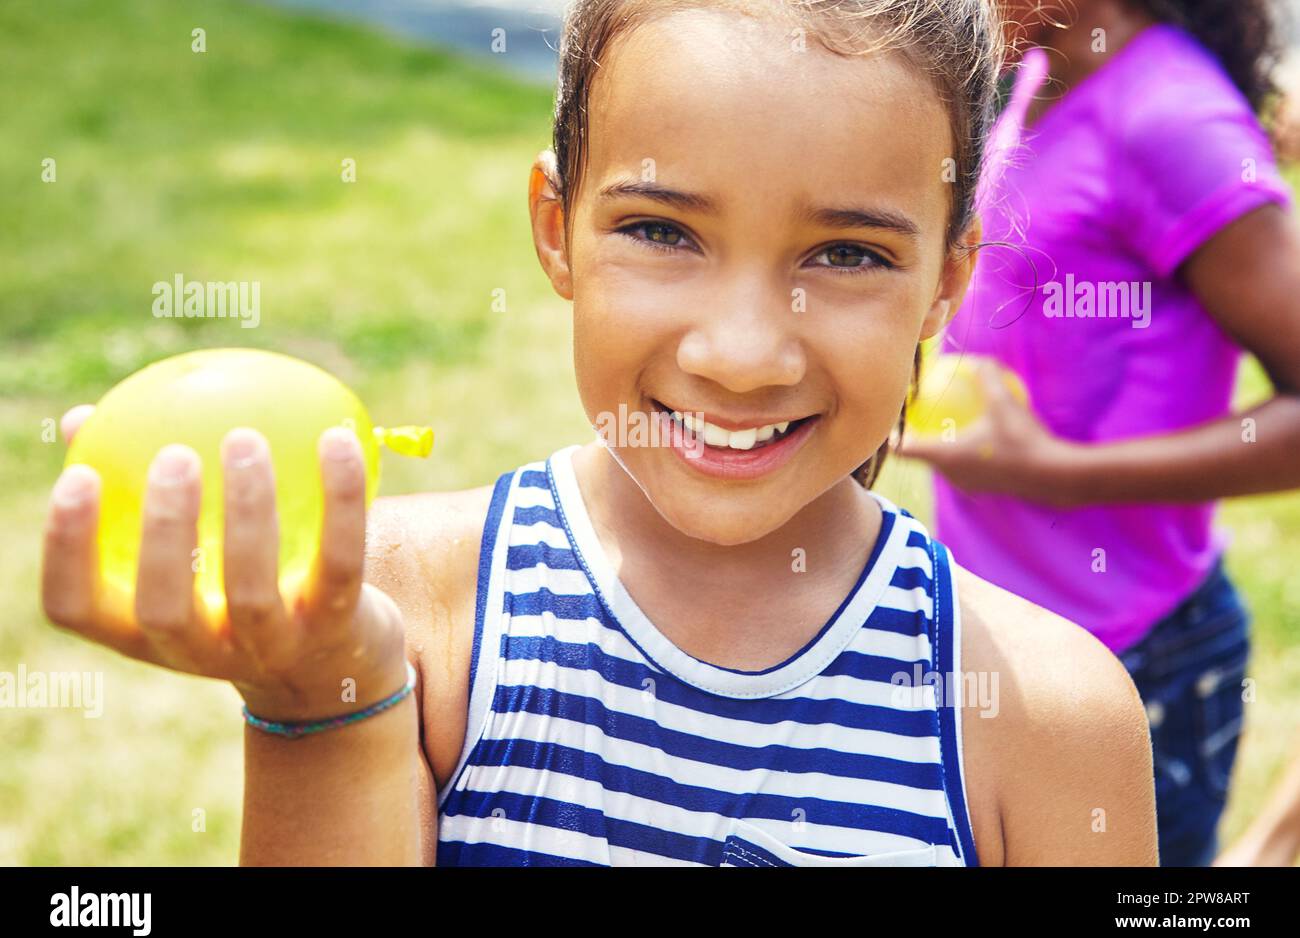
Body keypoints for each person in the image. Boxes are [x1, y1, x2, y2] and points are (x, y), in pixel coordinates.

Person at [40, 0, 1158, 866]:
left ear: (944, 282)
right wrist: (321, 701)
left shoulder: (1048, 719)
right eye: (663, 229)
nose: (741, 350)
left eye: (847, 254)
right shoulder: (402, 613)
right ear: (554, 226)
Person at [900, 0, 1300, 866]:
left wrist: (1060, 473)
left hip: (1136, 657)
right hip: (1003, 635)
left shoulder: (1171, 118)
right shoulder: (1044, 70)